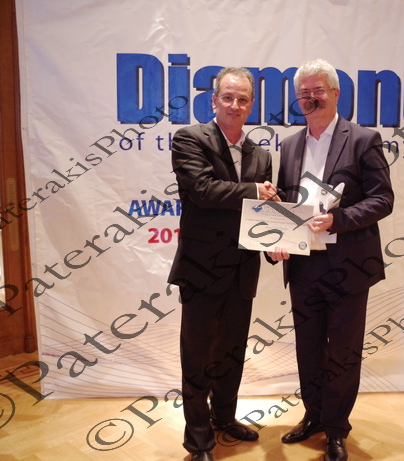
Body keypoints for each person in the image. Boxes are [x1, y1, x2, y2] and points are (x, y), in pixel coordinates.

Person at [268, 59, 394, 461]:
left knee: (342, 352)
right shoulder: (289, 145)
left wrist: (338, 219)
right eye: (303, 92)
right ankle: (314, 415)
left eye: (317, 90)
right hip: (303, 263)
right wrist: (274, 236)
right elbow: (286, 203)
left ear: (336, 93)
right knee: (308, 348)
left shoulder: (363, 139)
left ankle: (337, 429)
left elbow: (383, 199)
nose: (310, 97)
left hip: (348, 266)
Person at [168, 67, 280, 461]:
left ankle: (224, 418)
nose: (235, 105)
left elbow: (263, 214)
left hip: (242, 270)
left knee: (231, 353)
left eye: (243, 99)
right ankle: (199, 440)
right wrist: (254, 191)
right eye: (228, 97)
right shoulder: (190, 138)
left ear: (251, 105)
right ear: (214, 100)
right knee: (197, 358)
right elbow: (202, 190)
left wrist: (277, 243)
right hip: (200, 270)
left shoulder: (261, 155)